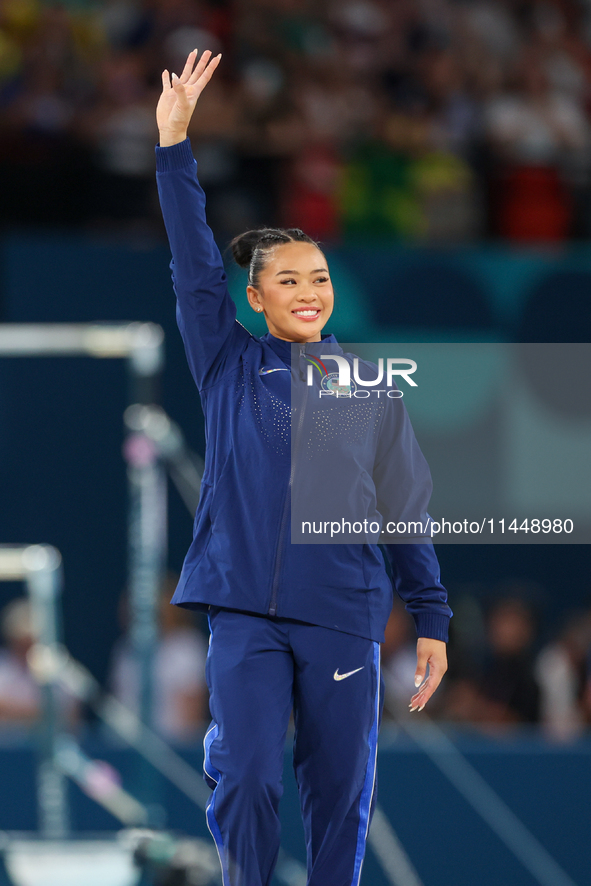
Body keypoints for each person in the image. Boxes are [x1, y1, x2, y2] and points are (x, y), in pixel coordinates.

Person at [156, 49, 451, 886]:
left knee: (339, 793)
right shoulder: (225, 358)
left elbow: (405, 508)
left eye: (318, 277)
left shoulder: (366, 388)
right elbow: (191, 262)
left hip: (343, 615)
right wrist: (174, 147)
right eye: (288, 280)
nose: (309, 291)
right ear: (256, 298)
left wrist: (429, 618)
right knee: (245, 774)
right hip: (244, 609)